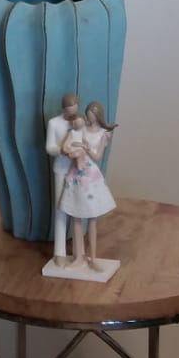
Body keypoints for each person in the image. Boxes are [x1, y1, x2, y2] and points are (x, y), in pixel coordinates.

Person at [57, 101, 118, 268]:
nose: (89, 119)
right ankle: (79, 256)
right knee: (76, 216)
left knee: (92, 217)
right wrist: (72, 149)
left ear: (98, 116)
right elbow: (69, 144)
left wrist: (86, 147)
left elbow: (97, 156)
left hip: (90, 175)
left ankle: (93, 257)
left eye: (92, 116)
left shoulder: (103, 134)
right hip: (77, 174)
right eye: (88, 115)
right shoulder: (81, 129)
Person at [45, 91, 80, 265]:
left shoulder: (80, 122)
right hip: (61, 169)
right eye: (69, 111)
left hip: (78, 170)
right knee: (61, 209)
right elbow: (49, 147)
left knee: (78, 209)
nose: (72, 114)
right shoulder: (54, 123)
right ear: (63, 109)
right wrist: (61, 150)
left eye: (74, 110)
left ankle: (79, 253)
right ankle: (59, 252)